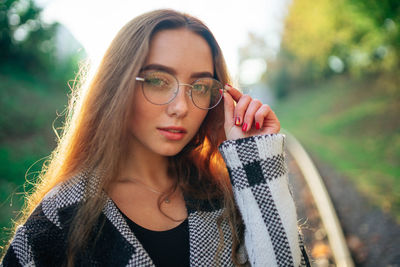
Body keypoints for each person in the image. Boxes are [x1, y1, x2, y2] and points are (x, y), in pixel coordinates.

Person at [1, 9, 310, 267]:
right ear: (118, 86)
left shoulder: (228, 196)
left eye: (200, 86)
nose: (181, 107)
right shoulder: (63, 214)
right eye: (157, 81)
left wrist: (253, 154)